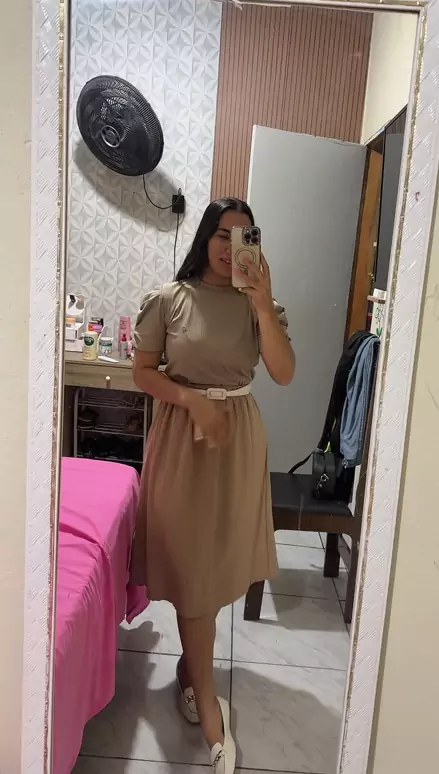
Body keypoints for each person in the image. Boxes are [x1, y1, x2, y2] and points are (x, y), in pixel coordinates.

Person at [131, 197, 295, 774]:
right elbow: (142, 372)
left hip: (238, 440)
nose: (231, 247)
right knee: (192, 568)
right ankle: (209, 712)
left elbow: (283, 372)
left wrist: (264, 304)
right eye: (223, 234)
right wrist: (191, 400)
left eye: (245, 236)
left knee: (218, 564)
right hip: (185, 438)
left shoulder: (256, 305)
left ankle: (190, 670)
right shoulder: (170, 299)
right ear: (205, 237)